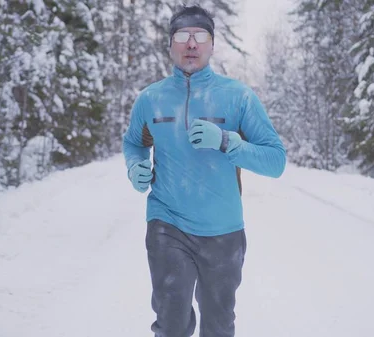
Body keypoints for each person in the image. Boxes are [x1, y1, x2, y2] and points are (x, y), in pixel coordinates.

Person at [122, 4, 286, 337]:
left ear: (212, 44)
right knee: (171, 322)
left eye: (200, 35)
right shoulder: (150, 99)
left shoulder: (238, 97)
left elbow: (275, 160)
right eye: (182, 36)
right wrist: (134, 166)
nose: (191, 43)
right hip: (167, 222)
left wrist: (228, 142)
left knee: (218, 326)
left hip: (223, 230)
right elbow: (133, 143)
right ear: (170, 45)